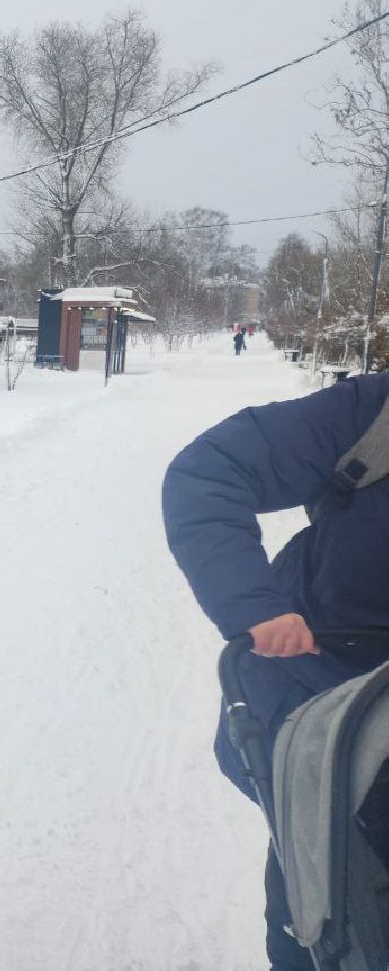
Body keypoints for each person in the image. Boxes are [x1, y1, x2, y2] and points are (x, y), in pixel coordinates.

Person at [162, 372, 389, 971]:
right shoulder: (371, 415)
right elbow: (210, 473)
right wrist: (257, 608)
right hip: (333, 717)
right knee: (330, 903)